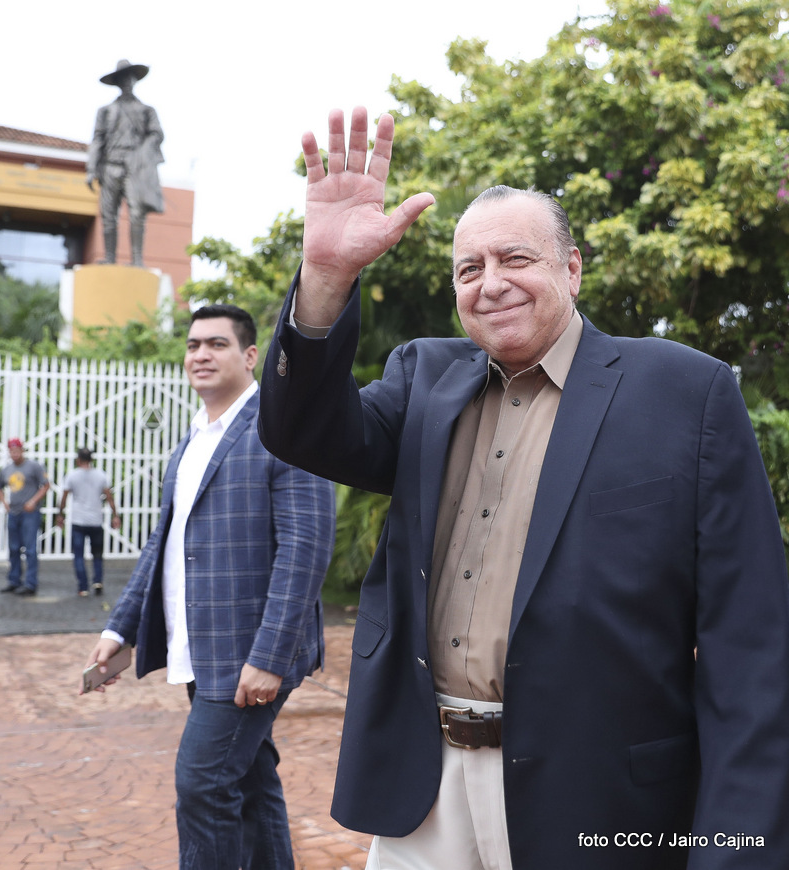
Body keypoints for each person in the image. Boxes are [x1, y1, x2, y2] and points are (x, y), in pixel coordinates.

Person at [256, 107, 789, 870]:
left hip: (596, 797)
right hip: (422, 790)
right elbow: (302, 430)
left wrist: (737, 846)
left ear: (572, 268)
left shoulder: (685, 392)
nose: (491, 283)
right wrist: (327, 278)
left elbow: (751, 646)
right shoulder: (422, 380)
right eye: (469, 269)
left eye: (515, 258)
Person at [82, 303, 336, 869]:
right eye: (194, 344)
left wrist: (269, 657)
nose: (201, 354)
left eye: (217, 344)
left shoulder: (284, 429)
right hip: (200, 646)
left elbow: (306, 550)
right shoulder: (192, 440)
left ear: (250, 356)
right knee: (249, 780)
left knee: (202, 784)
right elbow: (165, 543)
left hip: (248, 655)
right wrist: (119, 629)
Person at [85, 59, 164, 267]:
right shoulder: (106, 111)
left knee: (137, 213)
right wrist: (91, 168)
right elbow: (97, 139)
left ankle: (137, 260)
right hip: (110, 166)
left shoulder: (146, 111)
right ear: (118, 82)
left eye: (130, 78)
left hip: (135, 168)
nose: (127, 82)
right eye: (123, 79)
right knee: (108, 214)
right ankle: (110, 258)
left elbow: (157, 134)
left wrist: (142, 152)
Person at [55, 447, 121, 596]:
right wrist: (115, 515)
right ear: (92, 459)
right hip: (95, 520)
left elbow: (64, 497)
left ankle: (83, 587)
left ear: (78, 459)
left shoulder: (72, 475)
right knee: (97, 554)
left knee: (79, 555)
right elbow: (109, 498)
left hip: (78, 520)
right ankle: (97, 581)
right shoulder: (101, 475)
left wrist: (60, 515)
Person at [0, 438, 50, 596]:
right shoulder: (7, 469)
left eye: (17, 451)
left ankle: (30, 583)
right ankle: (14, 580)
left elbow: (46, 485)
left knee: (30, 549)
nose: (14, 454)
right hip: (14, 512)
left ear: (22, 450)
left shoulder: (34, 467)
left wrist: (33, 501)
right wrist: (4, 502)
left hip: (30, 513)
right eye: (11, 451)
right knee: (13, 548)